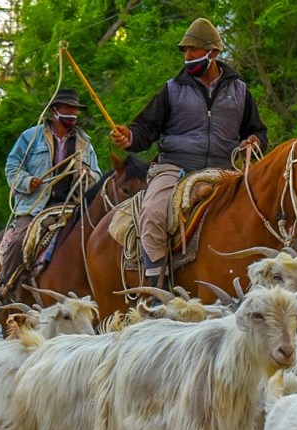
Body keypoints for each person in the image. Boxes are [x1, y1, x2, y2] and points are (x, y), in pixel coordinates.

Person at [110, 18, 268, 286]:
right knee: (152, 214)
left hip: (225, 171)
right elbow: (145, 128)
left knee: (261, 213)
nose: (187, 56)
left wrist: (253, 141)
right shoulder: (172, 89)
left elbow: (258, 131)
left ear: (213, 53)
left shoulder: (240, 91)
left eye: (192, 50)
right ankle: (155, 286)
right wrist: (131, 137)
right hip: (174, 167)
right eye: (184, 51)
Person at [0, 88, 102, 308]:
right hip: (36, 207)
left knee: (96, 237)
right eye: (68, 109)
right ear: (54, 111)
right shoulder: (31, 137)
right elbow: (12, 166)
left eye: (75, 110)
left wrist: (86, 175)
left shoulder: (84, 143)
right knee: (21, 239)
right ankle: (6, 287)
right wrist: (27, 181)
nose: (73, 114)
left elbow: (97, 173)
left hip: (71, 206)